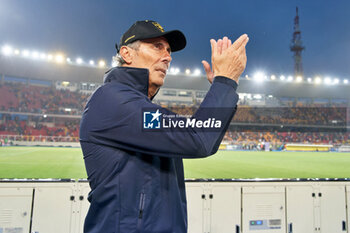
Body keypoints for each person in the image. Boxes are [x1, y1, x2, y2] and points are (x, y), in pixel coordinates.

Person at [80, 20, 248, 233]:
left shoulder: (135, 106)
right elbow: (197, 137)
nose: (168, 57)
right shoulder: (112, 101)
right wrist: (224, 82)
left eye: (169, 50)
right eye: (157, 46)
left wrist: (223, 87)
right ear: (127, 54)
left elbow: (202, 136)